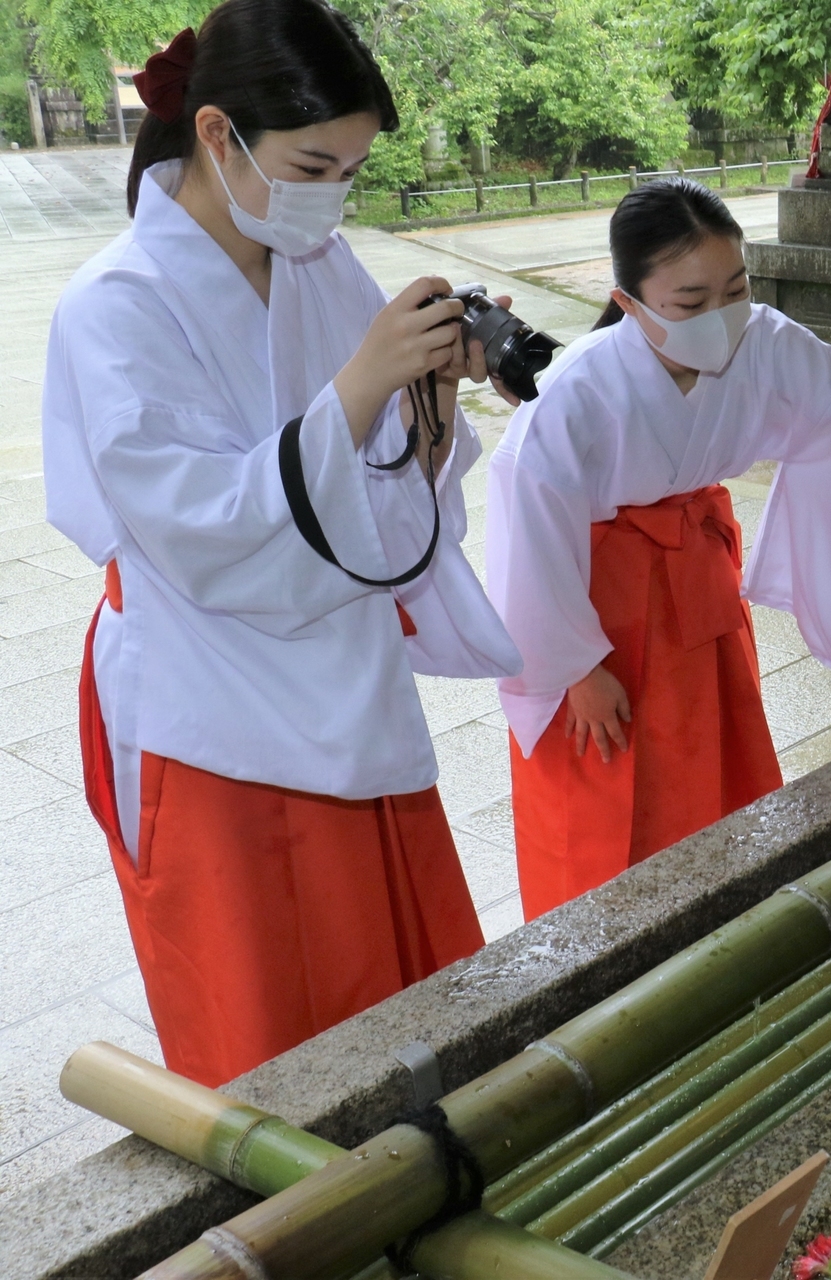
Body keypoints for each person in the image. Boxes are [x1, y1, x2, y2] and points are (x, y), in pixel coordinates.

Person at [41, 0, 522, 1087]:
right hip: (211, 706)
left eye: (350, 169)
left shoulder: (315, 265)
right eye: (315, 164)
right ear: (218, 134)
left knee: (410, 1015)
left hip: (346, 686)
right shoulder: (114, 304)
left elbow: (386, 500)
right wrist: (361, 386)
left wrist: (427, 403)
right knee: (275, 1054)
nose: (333, 196)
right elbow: (197, 526)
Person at [488, 179, 831, 920]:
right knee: (603, 805)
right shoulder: (580, 387)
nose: (721, 318)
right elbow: (527, 519)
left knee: (713, 774)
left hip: (695, 588)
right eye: (690, 303)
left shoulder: (765, 341)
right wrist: (574, 667)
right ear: (629, 302)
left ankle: (723, 926)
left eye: (735, 289)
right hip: (596, 611)